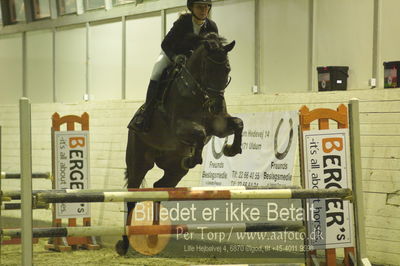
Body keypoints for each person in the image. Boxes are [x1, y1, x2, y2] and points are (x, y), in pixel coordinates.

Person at [133, 0, 218, 131]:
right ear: (192, 8)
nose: (203, 10)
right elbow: (165, 44)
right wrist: (174, 57)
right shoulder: (183, 22)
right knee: (156, 73)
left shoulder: (212, 26)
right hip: (172, 54)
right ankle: (146, 114)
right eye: (199, 7)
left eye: (206, 7)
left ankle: (215, 111)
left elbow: (214, 49)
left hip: (195, 61)